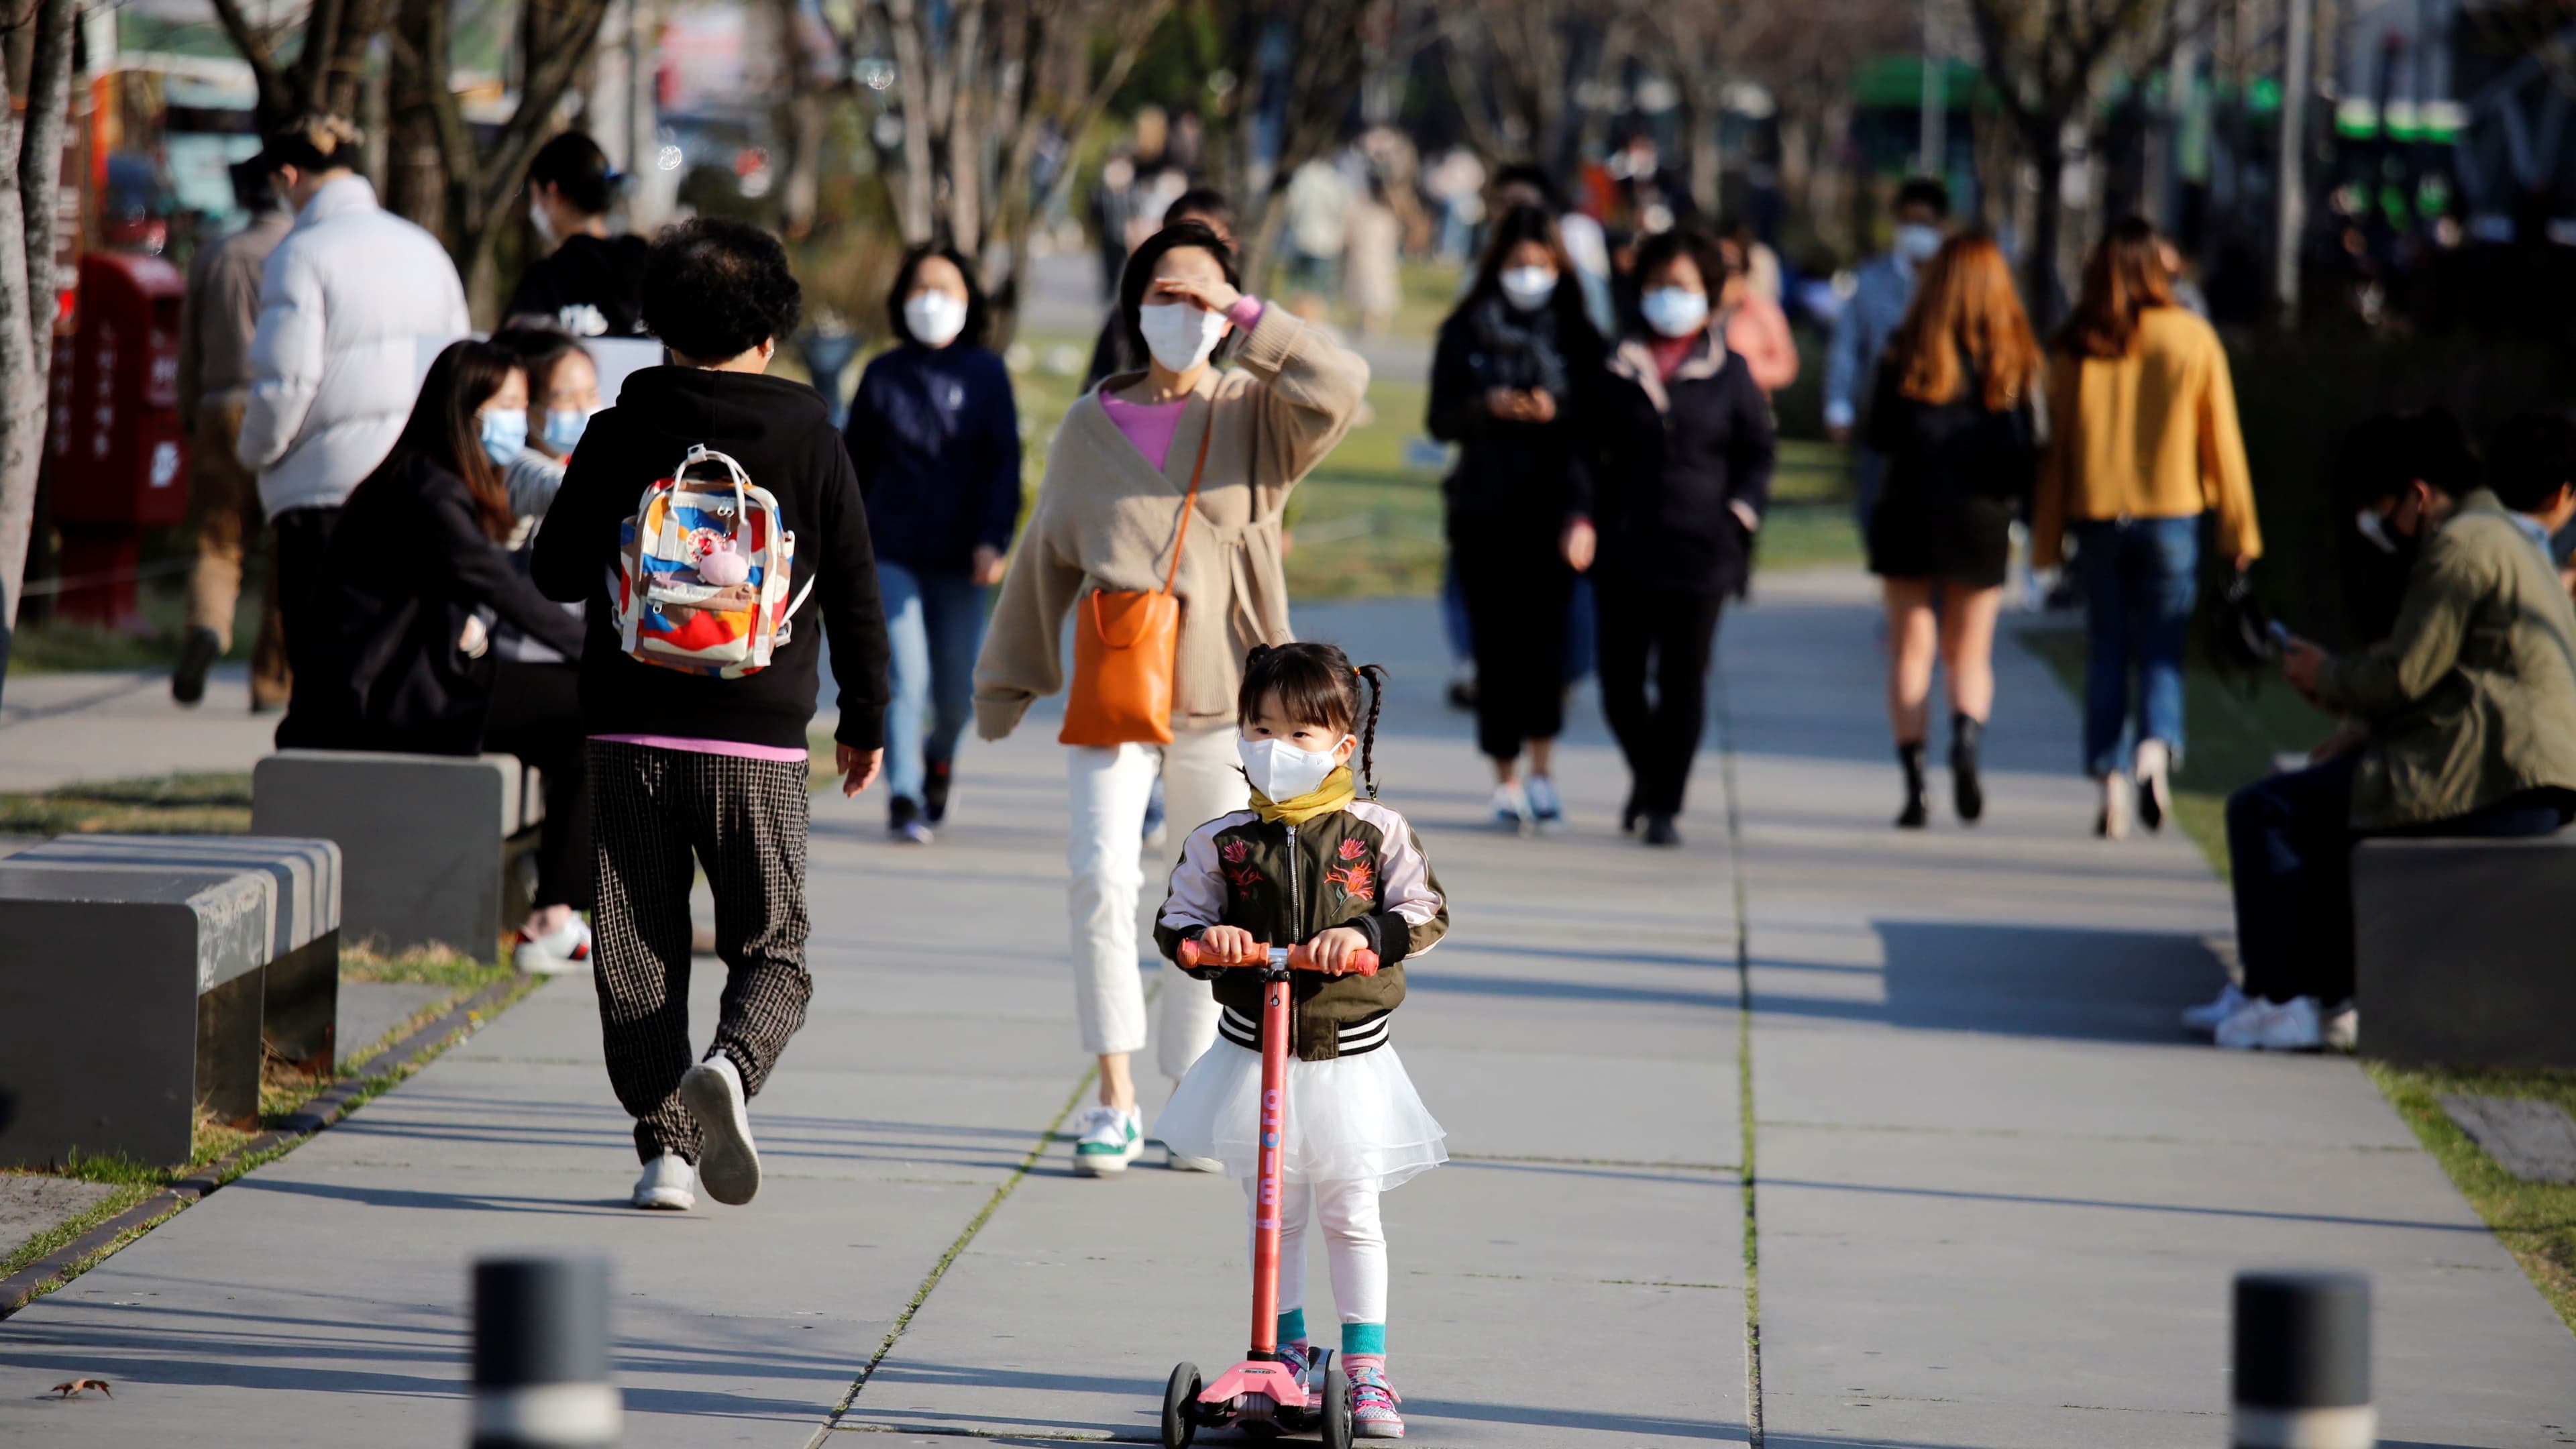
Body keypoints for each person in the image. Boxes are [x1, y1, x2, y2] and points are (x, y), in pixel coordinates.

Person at [971, 220, 1369, 1177]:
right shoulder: (1088, 423)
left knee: (1223, 893)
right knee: (1100, 877)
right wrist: (1005, 679)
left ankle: (1192, 1085)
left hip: (1236, 701)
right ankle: (1113, 1095)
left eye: (1201, 296)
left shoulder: (1256, 415)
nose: (1179, 311)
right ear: (1132, 305)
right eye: (1162, 293)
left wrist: (1246, 317)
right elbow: (1042, 556)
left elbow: (1342, 384)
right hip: (1117, 687)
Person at [531, 218, 892, 1213]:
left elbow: (555, 571)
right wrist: (866, 716)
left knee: (635, 941)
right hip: (758, 735)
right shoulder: (812, 437)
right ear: (772, 331)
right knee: (772, 946)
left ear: (659, 327)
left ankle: (664, 1157)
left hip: (628, 727)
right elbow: (856, 589)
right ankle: (732, 1069)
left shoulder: (621, 428)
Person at [1152, 642, 1448, 1442]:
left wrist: (1363, 935)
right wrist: (1202, 940)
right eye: (1259, 730)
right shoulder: (1223, 839)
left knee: (1351, 1211)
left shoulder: (1376, 831)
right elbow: (1176, 918)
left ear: (1342, 747)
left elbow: (1425, 912)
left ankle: (1366, 1370)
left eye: (1298, 736)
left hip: (1346, 1059)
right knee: (1270, 1214)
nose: (1274, 750)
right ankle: (1281, 1351)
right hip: (1255, 1055)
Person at [2207, 414, 2576, 1051]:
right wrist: (2350, 717)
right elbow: (2442, 674)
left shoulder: (2460, 547)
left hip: (2501, 777)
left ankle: (2277, 998)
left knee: (2263, 811)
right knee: (2322, 805)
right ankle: (2318, 996)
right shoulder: (2499, 537)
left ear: (2419, 495)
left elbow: (2404, 673)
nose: (2378, 526)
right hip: (2524, 771)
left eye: (2382, 509)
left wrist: (2325, 674)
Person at [296, 340, 595, 970]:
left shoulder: (427, 479)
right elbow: (501, 589)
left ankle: (557, 903)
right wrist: (599, 654)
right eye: (509, 405)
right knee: (588, 710)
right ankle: (552, 918)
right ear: (465, 413)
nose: (521, 419)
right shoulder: (428, 495)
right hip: (383, 699)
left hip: (417, 677)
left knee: (578, 707)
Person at [237, 113, 470, 749]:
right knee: (396, 659)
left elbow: (285, 382)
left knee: (321, 660)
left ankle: (320, 793)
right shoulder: (425, 247)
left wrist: (256, 454)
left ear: (290, 176)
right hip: (420, 493)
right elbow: (459, 373)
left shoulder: (301, 253)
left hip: (325, 492)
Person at [2030, 217, 2261, 838]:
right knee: (2160, 645)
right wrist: (2239, 532)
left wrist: (2045, 540)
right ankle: (2155, 754)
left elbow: (2057, 454)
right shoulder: (2190, 338)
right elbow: (2224, 443)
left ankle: (2109, 778)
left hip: (2098, 515)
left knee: (2107, 644)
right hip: (2172, 514)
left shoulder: (2077, 344)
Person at [1586, 227, 1776, 847]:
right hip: (1624, 546)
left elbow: (1757, 454)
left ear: (1710, 296)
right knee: (1619, 683)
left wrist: (1740, 514)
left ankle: (1665, 803)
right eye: (1660, 285)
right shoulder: (1613, 365)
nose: (1672, 297)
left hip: (1703, 550)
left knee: (1682, 679)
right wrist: (1579, 517)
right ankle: (1649, 772)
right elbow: (1582, 455)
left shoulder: (1732, 372)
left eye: (1685, 287)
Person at [1427, 205, 1603, 830]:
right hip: (1484, 509)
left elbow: (1599, 430)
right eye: (1517, 264)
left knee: (1546, 654)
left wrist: (1558, 414)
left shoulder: (1579, 335)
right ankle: (1504, 779)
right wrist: (1487, 405)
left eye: (1540, 264)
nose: (1529, 275)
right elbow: (1439, 418)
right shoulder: (1467, 330)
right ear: (1496, 265)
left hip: (1554, 513)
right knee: (1495, 653)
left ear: (1560, 267)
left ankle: (1544, 770)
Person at [1864, 232, 2044, 828]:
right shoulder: (2014, 358)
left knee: (1909, 650)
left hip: (1910, 510)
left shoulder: (1906, 351)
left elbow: (1880, 434)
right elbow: (2032, 449)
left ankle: (1914, 784)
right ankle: (1965, 738)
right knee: (1970, 652)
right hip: (1982, 514)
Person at [845, 242, 1022, 845]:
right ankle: (902, 794)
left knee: (955, 697)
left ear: (969, 302)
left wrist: (994, 540)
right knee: (905, 679)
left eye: (945, 290)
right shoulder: (881, 375)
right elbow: (852, 467)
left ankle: (938, 756)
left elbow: (1005, 464)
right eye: (920, 289)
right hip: (890, 550)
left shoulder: (987, 374)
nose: (932, 302)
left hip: (963, 556)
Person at [172, 152, 294, 711]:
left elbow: (189, 348)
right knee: (287, 552)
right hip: (286, 411)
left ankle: (209, 626)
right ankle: (273, 681)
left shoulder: (215, 254)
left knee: (218, 541)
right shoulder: (302, 253)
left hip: (221, 406)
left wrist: (191, 412)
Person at [1825, 176, 1949, 529]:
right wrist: (1839, 404)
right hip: (1883, 414)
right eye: (1909, 222)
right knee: (1876, 513)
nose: (1916, 232)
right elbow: (1848, 345)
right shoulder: (1871, 278)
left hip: (1941, 416)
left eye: (1925, 223)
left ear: (1941, 225)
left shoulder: (1953, 281)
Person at [1084, 187, 1233, 390]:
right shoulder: (1124, 318)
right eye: (1167, 295)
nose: (1194, 245)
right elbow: (1096, 383)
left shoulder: (1242, 402)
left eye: (1208, 237)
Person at [506, 131, 648, 336]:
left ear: (552, 192)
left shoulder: (547, 280)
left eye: (534, 194)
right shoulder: (646, 264)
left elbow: (513, 351)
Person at [1717, 229, 1799, 395]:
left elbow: (1787, 365)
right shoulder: (1700, 310)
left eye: (1731, 266)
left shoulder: (1763, 312)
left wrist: (1744, 370)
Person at [1344, 174, 1403, 337]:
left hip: (1368, 256)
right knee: (1375, 290)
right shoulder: (1384, 214)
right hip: (1375, 257)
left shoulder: (1367, 213)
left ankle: (1372, 323)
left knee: (1371, 290)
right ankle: (1372, 323)